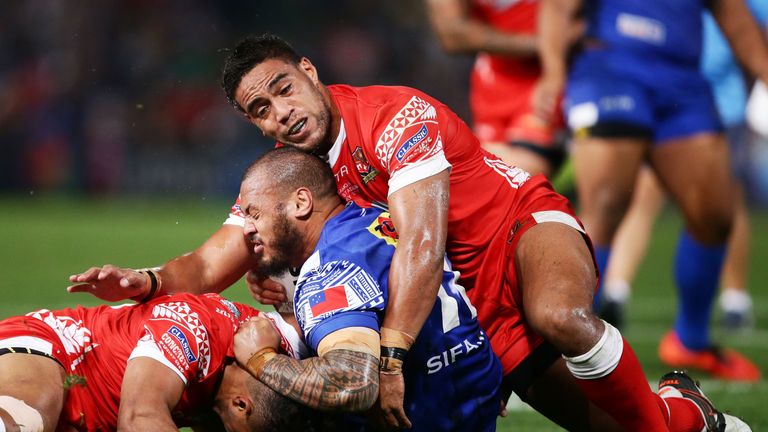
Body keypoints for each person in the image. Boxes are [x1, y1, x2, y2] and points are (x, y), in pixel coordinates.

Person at [71, 33, 746, 431]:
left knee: (560, 314)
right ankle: (687, 412)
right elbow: (217, 255)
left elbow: (423, 245)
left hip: (520, 232)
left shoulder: (397, 117)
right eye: (260, 109)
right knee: (616, 427)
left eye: (283, 89)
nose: (280, 112)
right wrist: (151, 279)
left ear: (311, 72)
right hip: (473, 307)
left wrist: (389, 359)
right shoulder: (291, 172)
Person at [535, 0, 768, 382]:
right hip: (611, 68)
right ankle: (569, 344)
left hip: (682, 81)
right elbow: (559, 7)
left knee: (715, 213)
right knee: (607, 204)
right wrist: (554, 72)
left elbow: (731, 12)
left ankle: (690, 341)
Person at [229, 146, 501, 431]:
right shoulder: (376, 215)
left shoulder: (329, 270)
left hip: (419, 417)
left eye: (254, 214)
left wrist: (262, 360)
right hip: (474, 393)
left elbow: (352, 385)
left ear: (301, 203)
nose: (247, 228)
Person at [600, 2, 768, 332]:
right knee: (641, 196)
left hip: (720, 103)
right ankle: (615, 290)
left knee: (722, 203)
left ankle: (733, 299)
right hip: (657, 93)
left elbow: (754, 26)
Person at [0, 291, 313, 431]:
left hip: (86, 421)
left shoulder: (279, 347)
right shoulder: (192, 332)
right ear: (241, 405)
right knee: (28, 421)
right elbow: (139, 420)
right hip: (55, 352)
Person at [424, 0, 570, 176]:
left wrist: (555, 52)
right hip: (494, 86)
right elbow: (453, 33)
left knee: (520, 174)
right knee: (480, 182)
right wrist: (546, 45)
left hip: (550, 77)